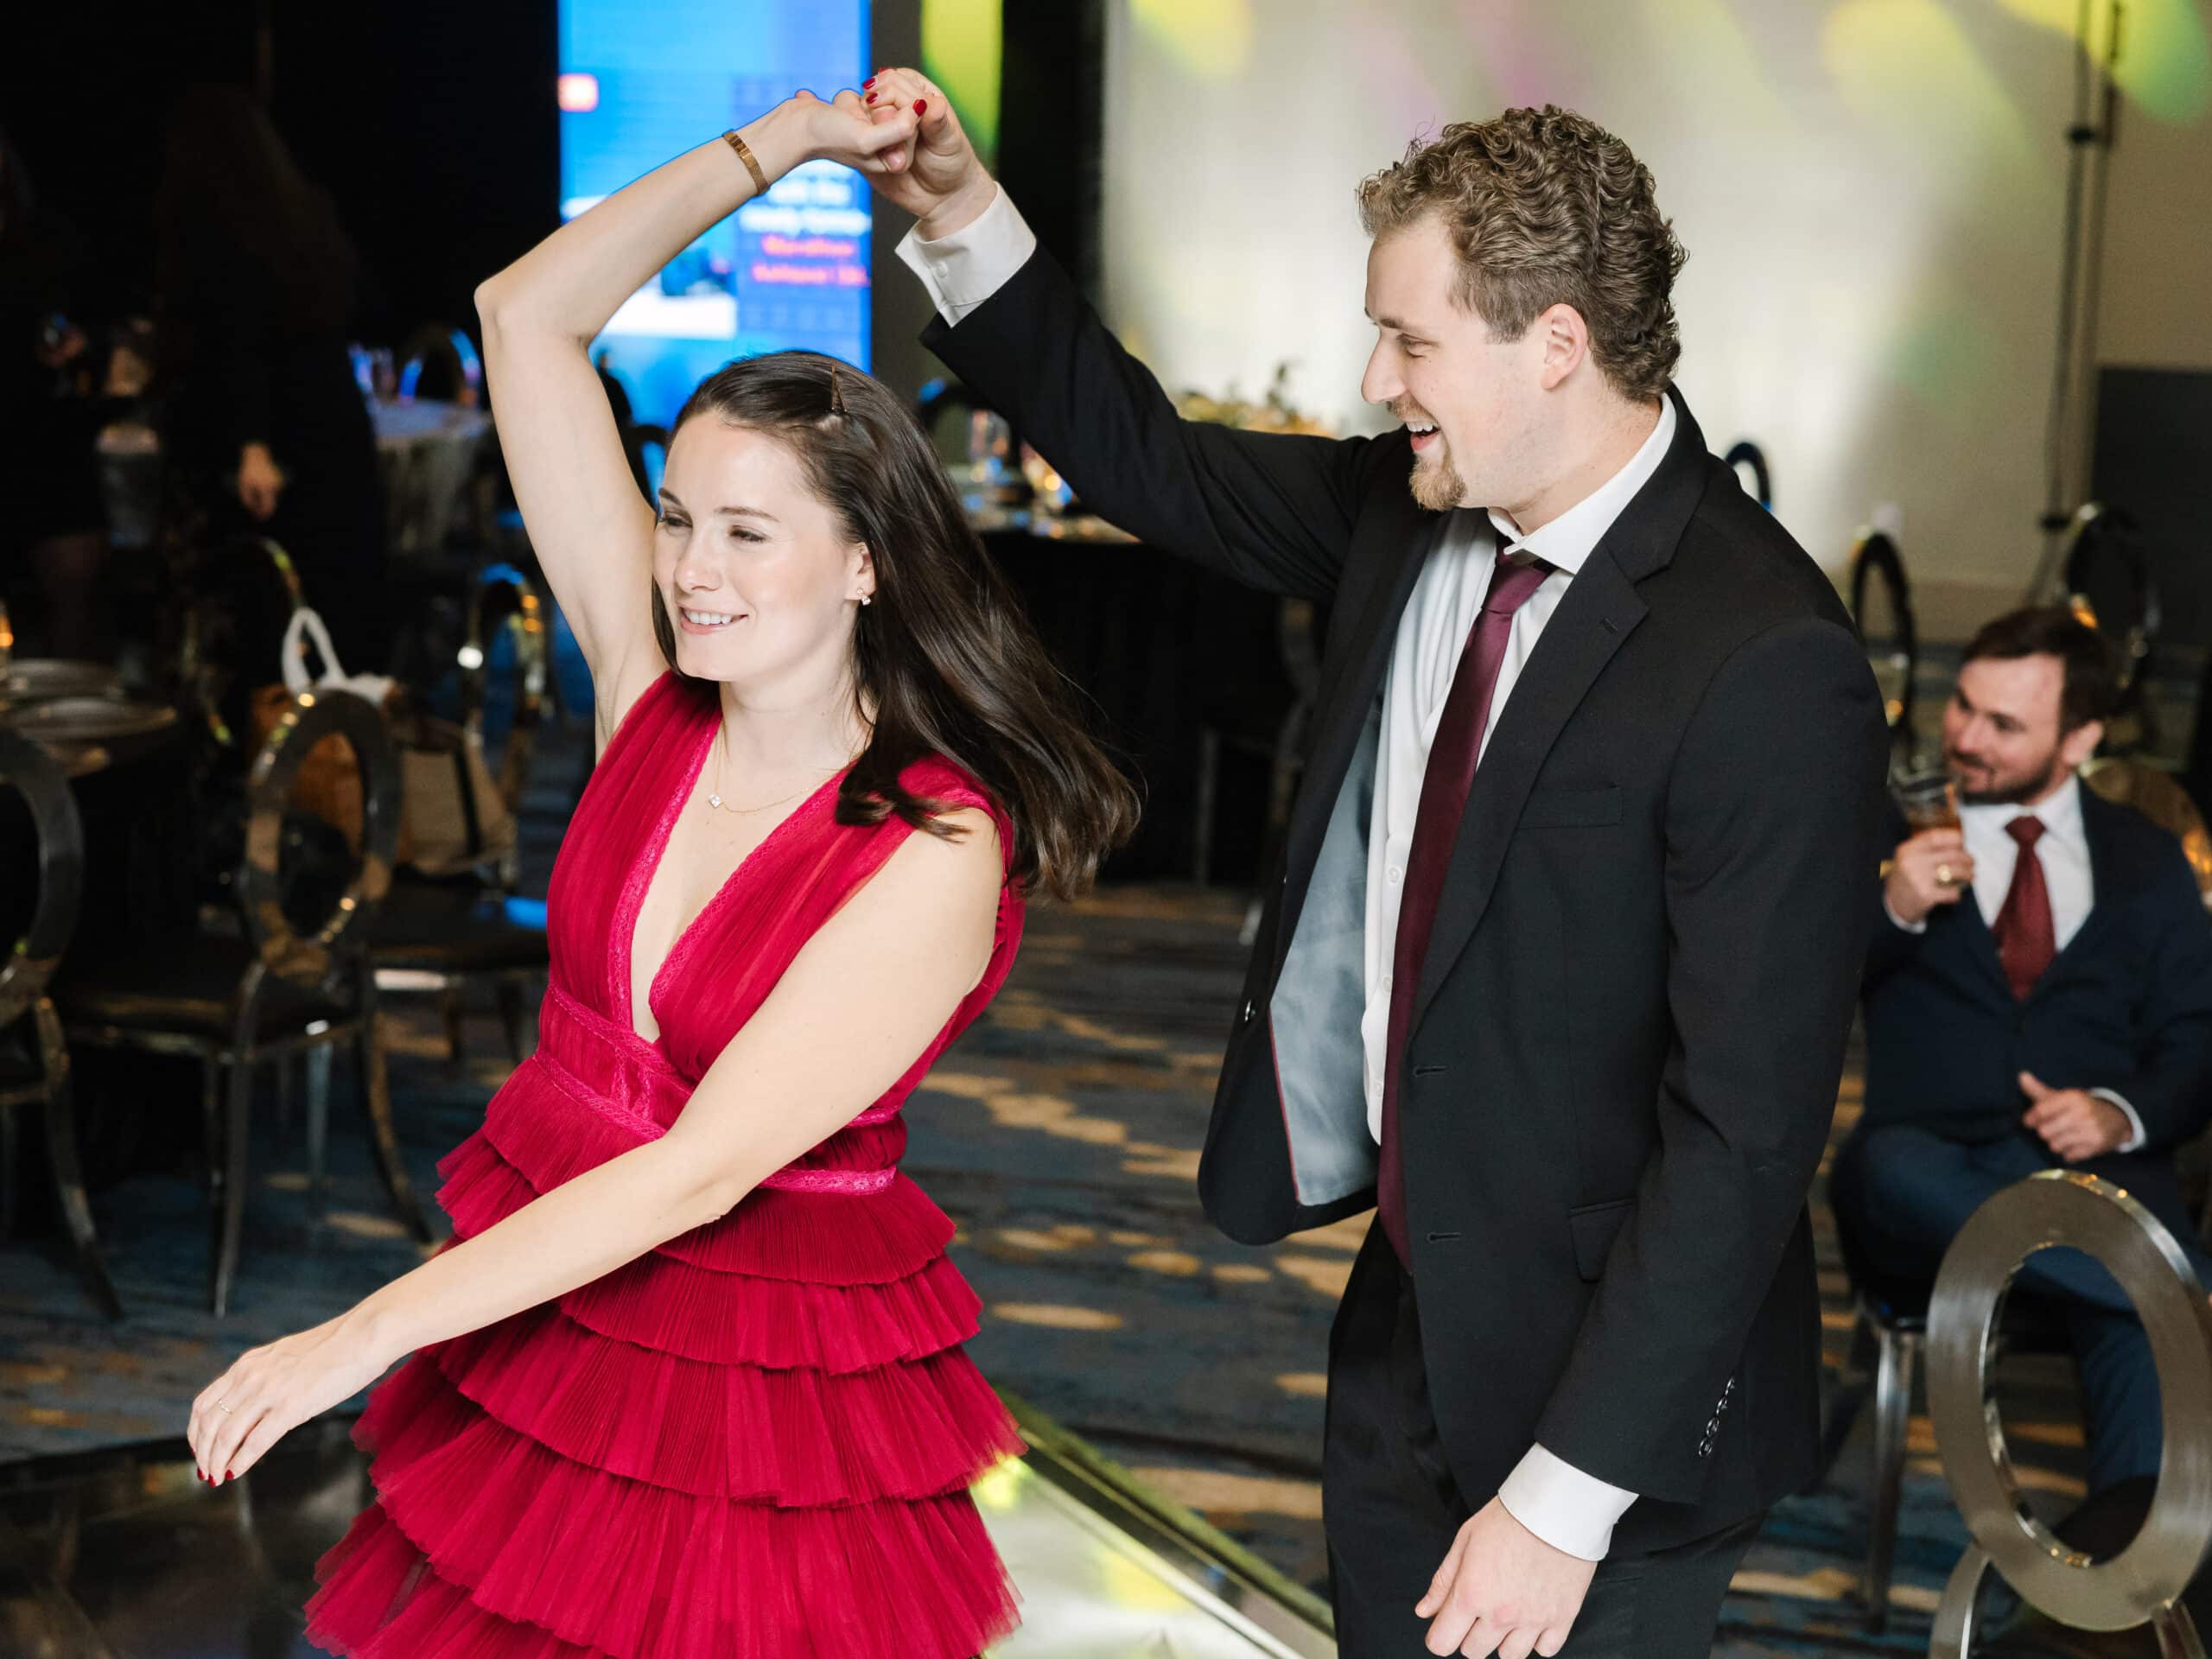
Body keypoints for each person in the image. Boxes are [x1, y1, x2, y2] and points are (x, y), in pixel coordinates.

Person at [832, 74, 1889, 1658]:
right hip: (1405, 1323)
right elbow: (1145, 458)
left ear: (1555, 343)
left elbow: (1746, 1135)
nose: (1378, 380)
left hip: (1614, 1401)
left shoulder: (1766, 656)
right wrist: (958, 213)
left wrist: (1564, 1501)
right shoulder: (1404, 512)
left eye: (1411, 342)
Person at [184, 90, 1135, 1659]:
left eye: (749, 533)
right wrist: (786, 144)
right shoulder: (651, 692)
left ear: (867, 560)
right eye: (680, 517)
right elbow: (523, 315)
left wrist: (354, 1335)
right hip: (544, 1297)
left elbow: (697, 1170)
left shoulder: (934, 844)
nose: (692, 568)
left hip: (747, 1377)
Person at [1838, 607, 2212, 1539]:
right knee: (1886, 1169)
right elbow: (1782, 990)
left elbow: (2197, 1039)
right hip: (1925, 1177)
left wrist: (2120, 1112)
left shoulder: (2144, 859)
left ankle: (2112, 1584)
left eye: (2004, 725)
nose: (1966, 737)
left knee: (2138, 1329)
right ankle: (2184, 1295)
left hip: (2095, 1174)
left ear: (2080, 738)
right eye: (1964, 706)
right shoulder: (1883, 826)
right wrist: (1890, 906)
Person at [155, 86, 391, 670]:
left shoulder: (223, 227)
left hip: (280, 434)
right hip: (330, 419)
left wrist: (250, 444)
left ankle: (284, 717)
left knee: (275, 602)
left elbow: (239, 340)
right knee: (335, 596)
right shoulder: (302, 212)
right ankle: (339, 714)